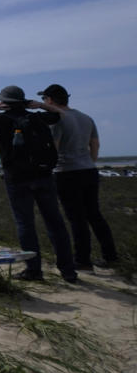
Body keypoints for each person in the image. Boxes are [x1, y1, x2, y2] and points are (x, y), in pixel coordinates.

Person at [0, 85, 77, 282]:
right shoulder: (37, 116)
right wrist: (39, 105)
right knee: (55, 222)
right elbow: (61, 113)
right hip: (43, 175)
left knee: (25, 224)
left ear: (4, 102)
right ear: (24, 101)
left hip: (16, 178)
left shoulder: (0, 118)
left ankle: (34, 270)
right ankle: (68, 271)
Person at [38, 84, 118, 270]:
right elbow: (95, 145)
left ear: (49, 100)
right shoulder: (85, 118)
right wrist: (89, 162)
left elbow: (54, 148)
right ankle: (111, 256)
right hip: (89, 170)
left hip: (66, 172)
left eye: (44, 99)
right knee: (95, 215)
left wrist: (47, 168)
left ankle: (82, 260)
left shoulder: (58, 119)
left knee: (76, 218)